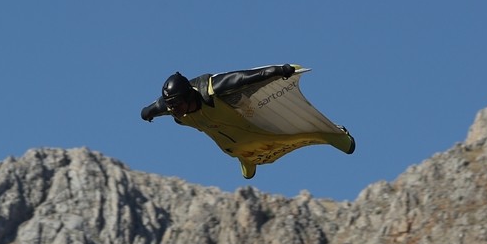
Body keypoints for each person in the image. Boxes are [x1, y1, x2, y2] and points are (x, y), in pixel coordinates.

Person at [140, 64, 354, 179]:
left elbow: (246, 77)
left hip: (256, 131)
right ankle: (247, 160)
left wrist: (279, 71)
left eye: (176, 105)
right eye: (170, 106)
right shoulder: (172, 108)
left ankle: (333, 134)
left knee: (300, 134)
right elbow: (150, 109)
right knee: (240, 152)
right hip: (233, 146)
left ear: (189, 96)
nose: (174, 110)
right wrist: (147, 114)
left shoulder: (213, 89)